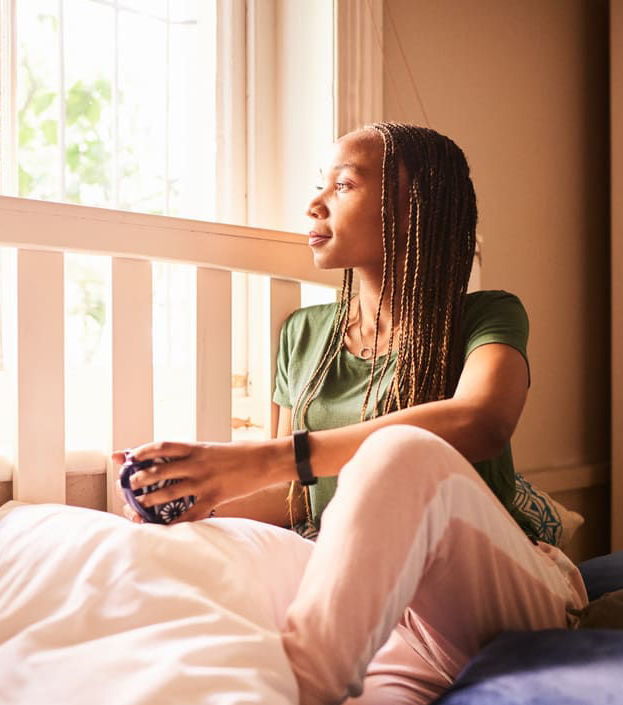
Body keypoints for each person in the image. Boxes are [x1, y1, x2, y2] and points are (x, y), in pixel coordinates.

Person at [112, 122, 587, 705]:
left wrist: (266, 456)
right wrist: (200, 491)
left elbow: (482, 420)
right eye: (321, 185)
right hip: (385, 626)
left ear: (412, 211)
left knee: (401, 451)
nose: (314, 202)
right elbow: (292, 493)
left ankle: (300, 685)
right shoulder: (304, 336)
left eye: (342, 186)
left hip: (498, 597)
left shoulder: (486, 316)